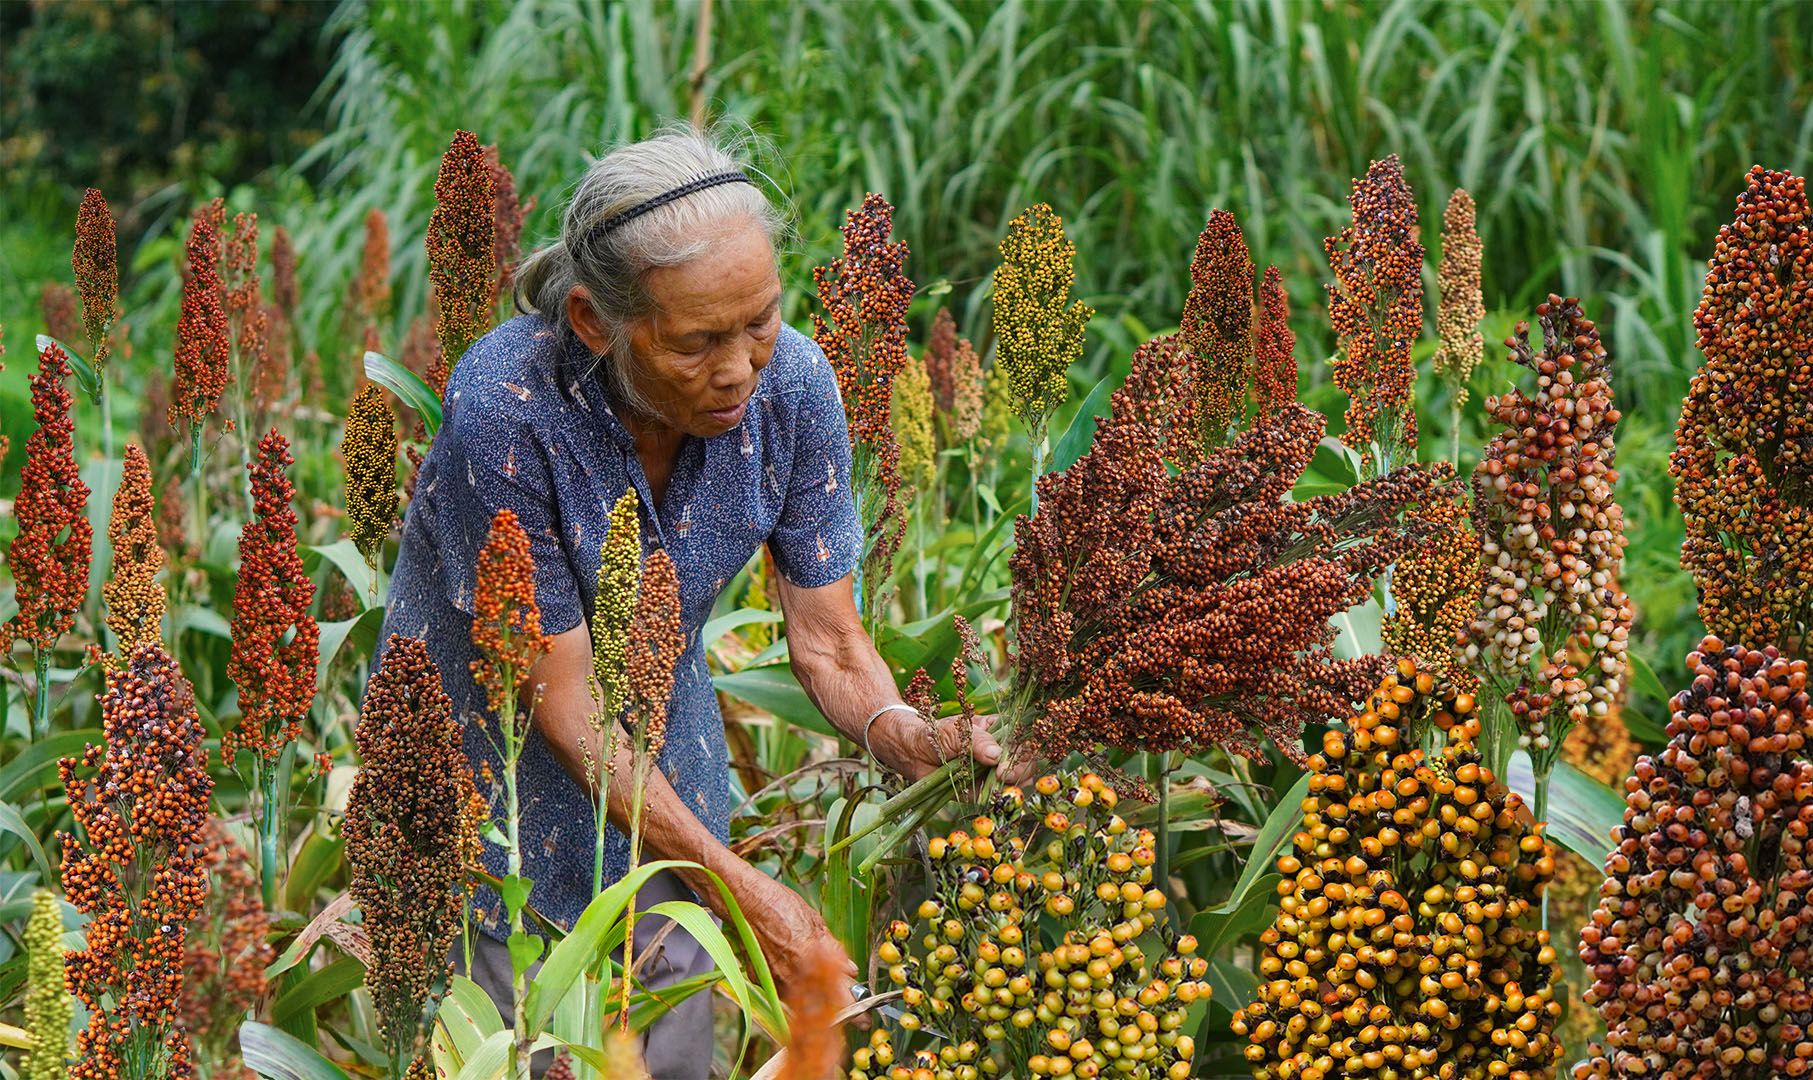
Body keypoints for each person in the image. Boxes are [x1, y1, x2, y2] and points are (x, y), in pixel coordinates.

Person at [373, 122, 1009, 1078]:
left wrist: (904, 732)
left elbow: (831, 642)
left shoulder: (791, 383)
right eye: (698, 340)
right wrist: (747, 893)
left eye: (759, 321)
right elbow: (566, 703)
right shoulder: (505, 412)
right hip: (478, 810)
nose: (739, 367)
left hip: (666, 803)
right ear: (593, 321)